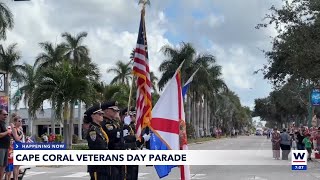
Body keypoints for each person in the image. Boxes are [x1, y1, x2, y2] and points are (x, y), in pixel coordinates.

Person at [85, 104, 110, 179]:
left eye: (102, 113)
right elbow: (99, 147)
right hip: (97, 166)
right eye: (99, 114)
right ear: (93, 116)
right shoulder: (93, 131)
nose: (102, 115)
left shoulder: (99, 129)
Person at [100, 101, 122, 179]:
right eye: (113, 110)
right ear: (106, 110)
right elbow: (113, 138)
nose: (116, 112)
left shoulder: (114, 123)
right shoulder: (104, 123)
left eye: (116, 110)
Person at [11, 116, 24, 180]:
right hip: (16, 146)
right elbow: (17, 139)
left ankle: (16, 178)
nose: (20, 122)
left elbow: (21, 139)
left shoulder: (20, 129)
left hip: (20, 146)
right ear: (15, 122)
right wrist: (22, 134)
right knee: (16, 166)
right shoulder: (14, 128)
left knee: (18, 165)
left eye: (21, 121)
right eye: (19, 121)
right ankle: (15, 178)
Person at [0, 109, 10, 179]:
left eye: (6, 114)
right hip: (1, 147)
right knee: (0, 165)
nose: (5, 116)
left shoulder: (3, 123)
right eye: (4, 114)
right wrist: (8, 132)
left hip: (6, 147)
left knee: (4, 165)